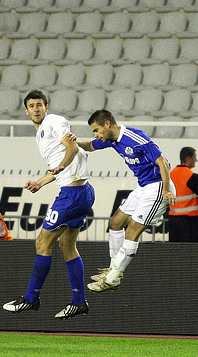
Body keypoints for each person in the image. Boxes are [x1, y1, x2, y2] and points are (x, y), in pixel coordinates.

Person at [3, 90, 95, 320]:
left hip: (72, 194)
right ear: (26, 110)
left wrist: (63, 166)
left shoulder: (53, 121)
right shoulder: (41, 134)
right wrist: (40, 182)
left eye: (39, 105)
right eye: (31, 106)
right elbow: (57, 167)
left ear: (46, 107)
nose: (36, 109)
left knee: (42, 242)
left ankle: (31, 298)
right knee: (67, 245)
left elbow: (72, 149)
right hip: (80, 191)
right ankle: (78, 301)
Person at [74, 109, 176, 293]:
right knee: (115, 223)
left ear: (107, 124)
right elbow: (89, 145)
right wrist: (70, 143)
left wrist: (167, 190)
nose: (96, 135)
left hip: (158, 185)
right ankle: (113, 268)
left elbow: (163, 162)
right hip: (144, 186)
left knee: (132, 230)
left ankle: (113, 276)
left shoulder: (134, 137)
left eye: (96, 130)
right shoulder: (111, 140)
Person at [166, 147, 198, 243]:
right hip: (190, 223)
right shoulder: (192, 177)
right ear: (188, 158)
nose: (196, 160)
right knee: (191, 253)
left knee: (174, 252)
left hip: (173, 221)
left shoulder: (170, 175)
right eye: (194, 157)